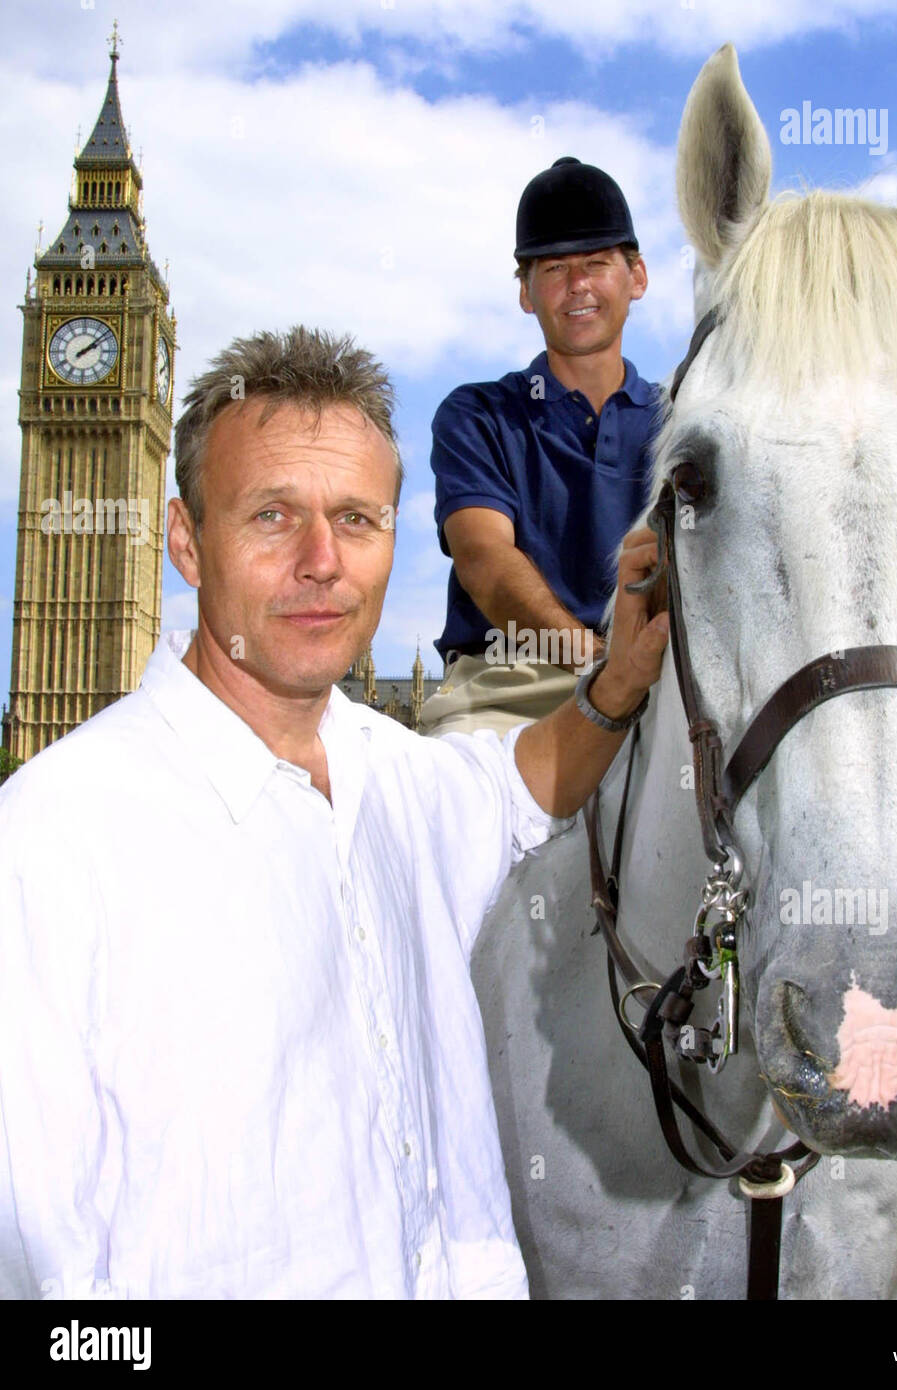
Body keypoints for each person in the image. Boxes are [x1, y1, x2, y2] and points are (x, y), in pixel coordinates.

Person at [0, 326, 668, 1300]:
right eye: (272, 516)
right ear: (186, 541)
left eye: (356, 518)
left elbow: (524, 786)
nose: (322, 561)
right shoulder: (49, 840)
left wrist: (618, 670)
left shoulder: (400, 777)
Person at [419, 156, 661, 737]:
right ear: (526, 293)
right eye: (554, 269)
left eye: (597, 263)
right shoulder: (477, 415)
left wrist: (636, 670)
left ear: (638, 277)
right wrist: (602, 664)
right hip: (514, 686)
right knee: (454, 810)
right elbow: (486, 561)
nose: (577, 286)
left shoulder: (680, 419)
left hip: (661, 684)